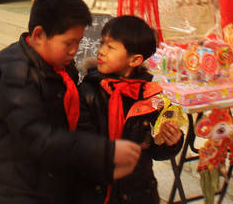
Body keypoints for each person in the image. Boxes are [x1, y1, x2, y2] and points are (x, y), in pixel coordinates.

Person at [0, 0, 142, 204]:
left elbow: (71, 124)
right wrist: (104, 152)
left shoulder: (60, 68)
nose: (75, 50)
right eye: (68, 43)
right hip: (22, 189)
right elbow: (38, 136)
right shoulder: (16, 76)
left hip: (52, 180)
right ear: (38, 35)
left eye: (79, 42)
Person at [78, 15, 184, 204]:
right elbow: (82, 144)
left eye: (110, 47)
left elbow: (156, 152)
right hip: (98, 191)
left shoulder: (150, 96)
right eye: (102, 44)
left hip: (139, 192)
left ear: (135, 60)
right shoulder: (88, 92)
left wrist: (171, 142)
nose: (101, 51)